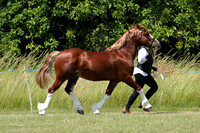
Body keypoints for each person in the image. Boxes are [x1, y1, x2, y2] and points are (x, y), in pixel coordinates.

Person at [123, 46, 158, 114]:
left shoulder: (148, 50)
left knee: (154, 87)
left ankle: (143, 103)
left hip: (145, 74)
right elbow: (140, 61)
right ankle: (126, 108)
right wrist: (148, 56)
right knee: (137, 91)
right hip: (140, 73)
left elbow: (146, 62)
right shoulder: (142, 50)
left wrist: (152, 67)